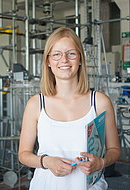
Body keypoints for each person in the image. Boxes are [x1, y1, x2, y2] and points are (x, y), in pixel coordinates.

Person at [19, 27, 120, 190]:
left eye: (71, 53)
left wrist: (101, 162)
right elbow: (24, 154)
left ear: (80, 59)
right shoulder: (36, 104)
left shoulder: (99, 102)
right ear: (48, 62)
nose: (64, 59)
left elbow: (114, 149)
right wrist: (46, 161)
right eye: (57, 54)